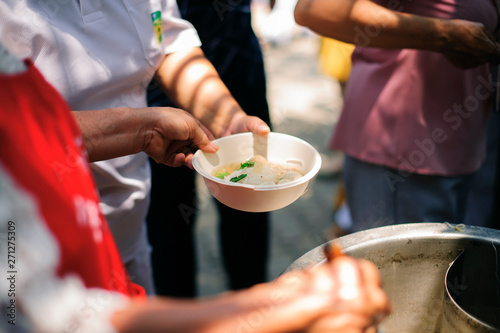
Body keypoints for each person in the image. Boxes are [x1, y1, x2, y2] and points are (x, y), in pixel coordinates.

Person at [0, 45, 390, 333]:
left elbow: (167, 41)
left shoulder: (14, 71)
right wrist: (278, 310)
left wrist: (146, 127)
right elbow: (44, 317)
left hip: (118, 241)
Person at [0, 0, 270, 294]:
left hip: (130, 227)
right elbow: (12, 130)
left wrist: (228, 121)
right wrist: (140, 129)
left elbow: (166, 42)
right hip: (35, 250)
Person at [294, 0, 500, 231]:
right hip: (403, 148)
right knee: (398, 263)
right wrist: (444, 34)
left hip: (462, 139)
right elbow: (316, 9)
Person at [146, 0, 272, 297]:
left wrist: (229, 117)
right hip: (154, 93)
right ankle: (178, 313)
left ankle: (252, 307)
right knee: (168, 215)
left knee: (249, 198)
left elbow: (169, 38)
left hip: (234, 63)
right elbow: (158, 34)